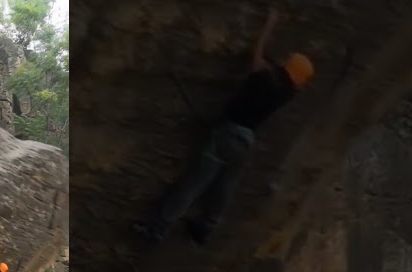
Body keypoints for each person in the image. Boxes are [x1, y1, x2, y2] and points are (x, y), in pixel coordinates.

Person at [135, 7, 314, 246]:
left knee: (195, 183)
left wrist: (268, 25)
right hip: (245, 141)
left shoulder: (267, 77)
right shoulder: (287, 93)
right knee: (224, 188)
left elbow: (257, 55)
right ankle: (206, 227)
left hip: (228, 134)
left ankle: (157, 228)